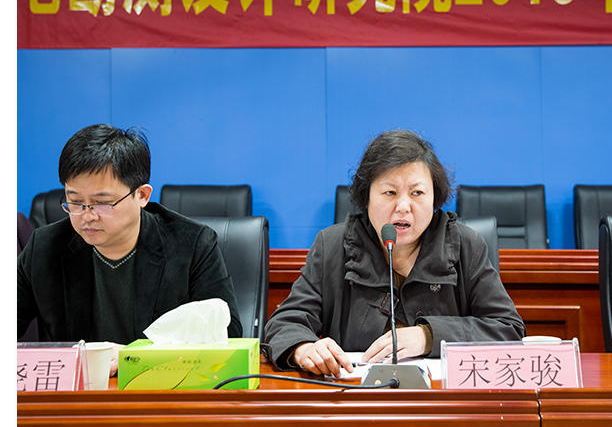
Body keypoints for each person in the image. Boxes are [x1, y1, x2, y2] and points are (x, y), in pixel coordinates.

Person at [263, 129, 526, 377]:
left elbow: (508, 328)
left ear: (435, 198)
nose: (403, 206)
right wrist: (304, 348)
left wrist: (428, 336)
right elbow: (284, 324)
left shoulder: (466, 245)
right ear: (366, 198)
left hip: (442, 399)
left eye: (417, 192)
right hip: (358, 398)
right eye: (390, 192)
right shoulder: (332, 246)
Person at [17, 124, 242, 373]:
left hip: (161, 387)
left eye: (102, 203)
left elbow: (229, 336)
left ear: (142, 195)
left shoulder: (193, 244)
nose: (87, 216)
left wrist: (135, 356)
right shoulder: (45, 247)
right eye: (75, 202)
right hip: (81, 390)